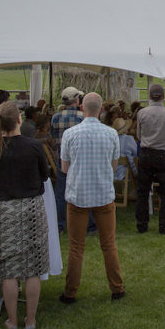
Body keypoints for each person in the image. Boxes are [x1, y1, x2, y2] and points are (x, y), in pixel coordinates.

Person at [0, 102, 51, 329]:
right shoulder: (33, 146)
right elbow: (45, 174)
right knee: (32, 267)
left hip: (7, 208)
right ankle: (30, 320)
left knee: (9, 268)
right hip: (32, 206)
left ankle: (13, 320)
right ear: (19, 121)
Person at [58, 92, 125, 304]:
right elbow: (113, 166)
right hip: (104, 194)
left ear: (82, 108)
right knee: (109, 244)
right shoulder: (111, 134)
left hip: (78, 194)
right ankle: (117, 288)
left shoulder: (70, 134)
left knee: (76, 247)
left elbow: (64, 168)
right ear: (101, 110)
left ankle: (70, 292)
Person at [135, 83, 165, 235]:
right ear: (163, 96)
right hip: (163, 154)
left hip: (146, 153)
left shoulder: (142, 113)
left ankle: (142, 224)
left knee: (143, 191)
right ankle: (164, 227)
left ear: (149, 96)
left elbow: (139, 136)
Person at [50, 86, 84, 232]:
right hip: (79, 157)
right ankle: (83, 222)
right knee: (81, 188)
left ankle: (61, 223)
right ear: (76, 100)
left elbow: (52, 135)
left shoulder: (56, 117)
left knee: (61, 189)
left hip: (61, 155)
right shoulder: (81, 117)